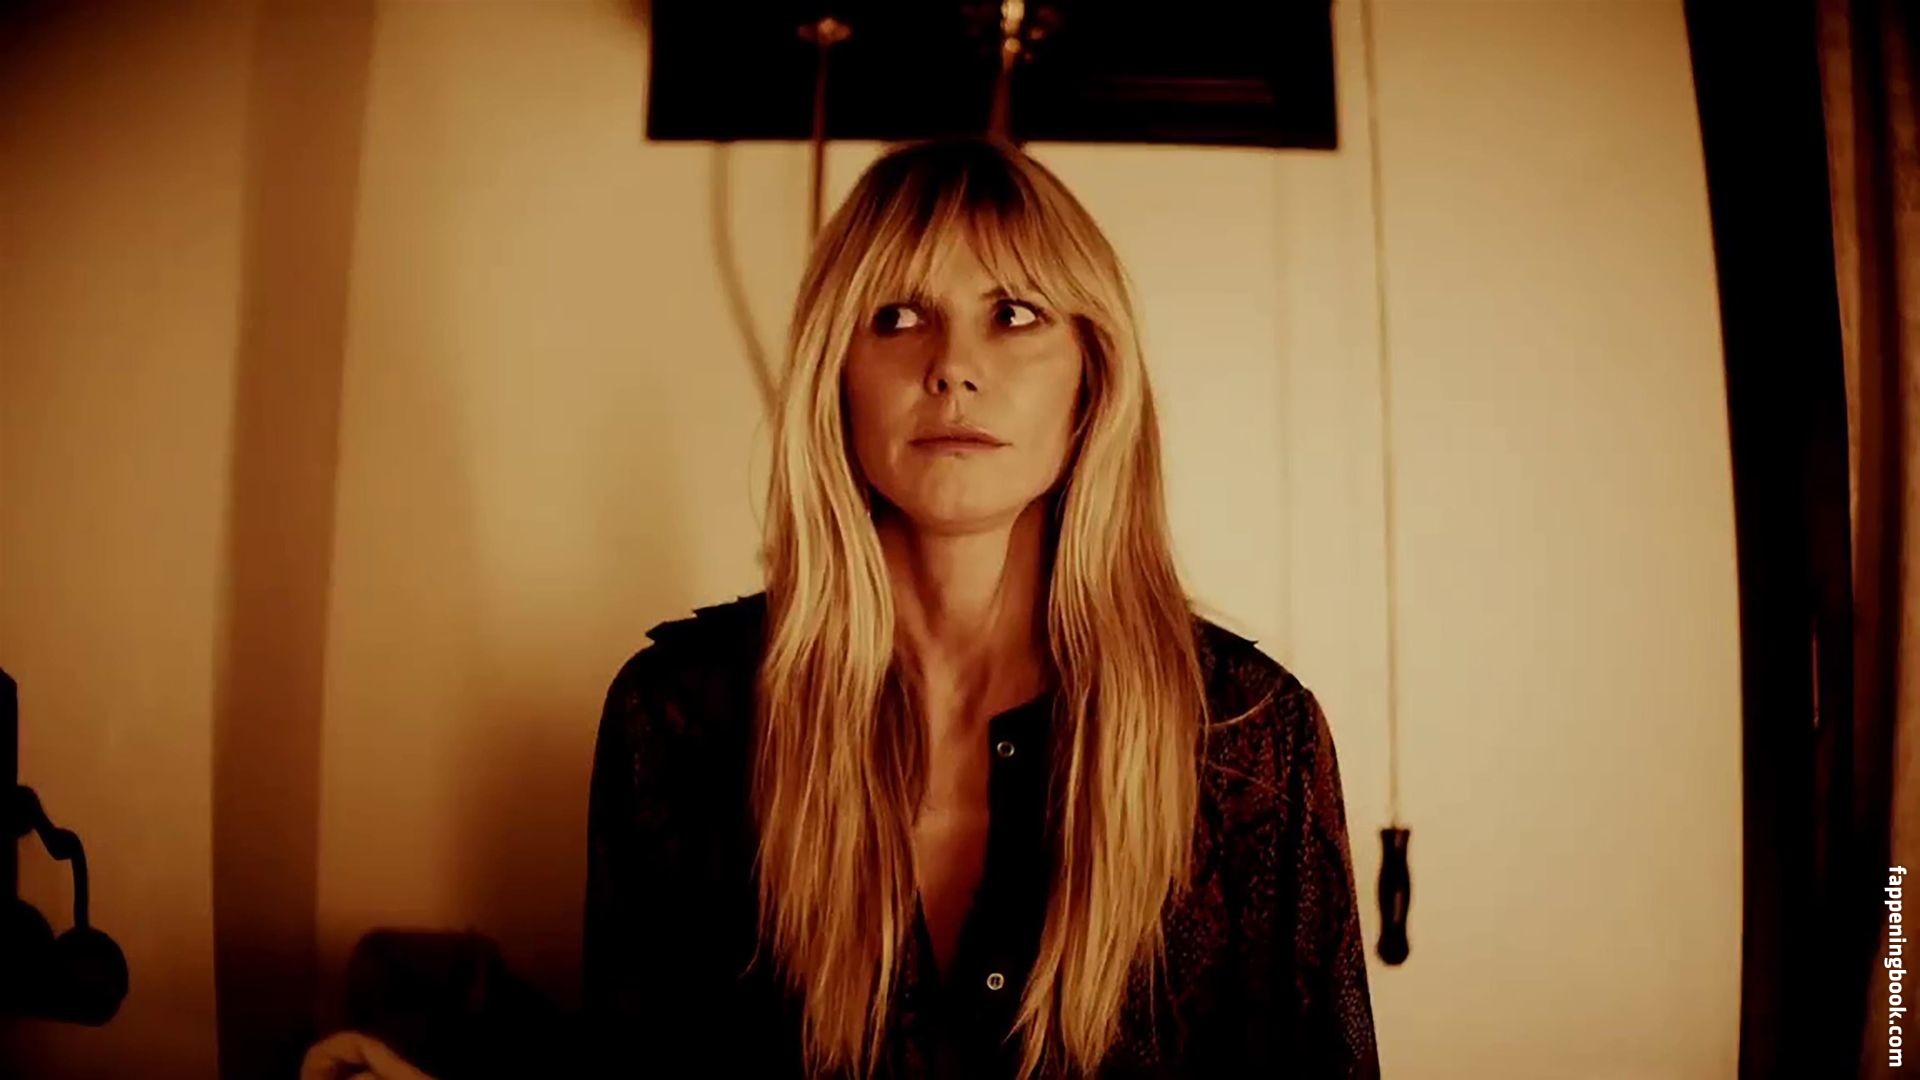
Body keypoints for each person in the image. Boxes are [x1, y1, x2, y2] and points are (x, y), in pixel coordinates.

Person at [583, 136, 1379, 1079]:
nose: (953, 366)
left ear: (1091, 379)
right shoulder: (678, 721)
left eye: (1014, 313)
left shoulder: (1251, 738)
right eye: (898, 315)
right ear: (836, 377)